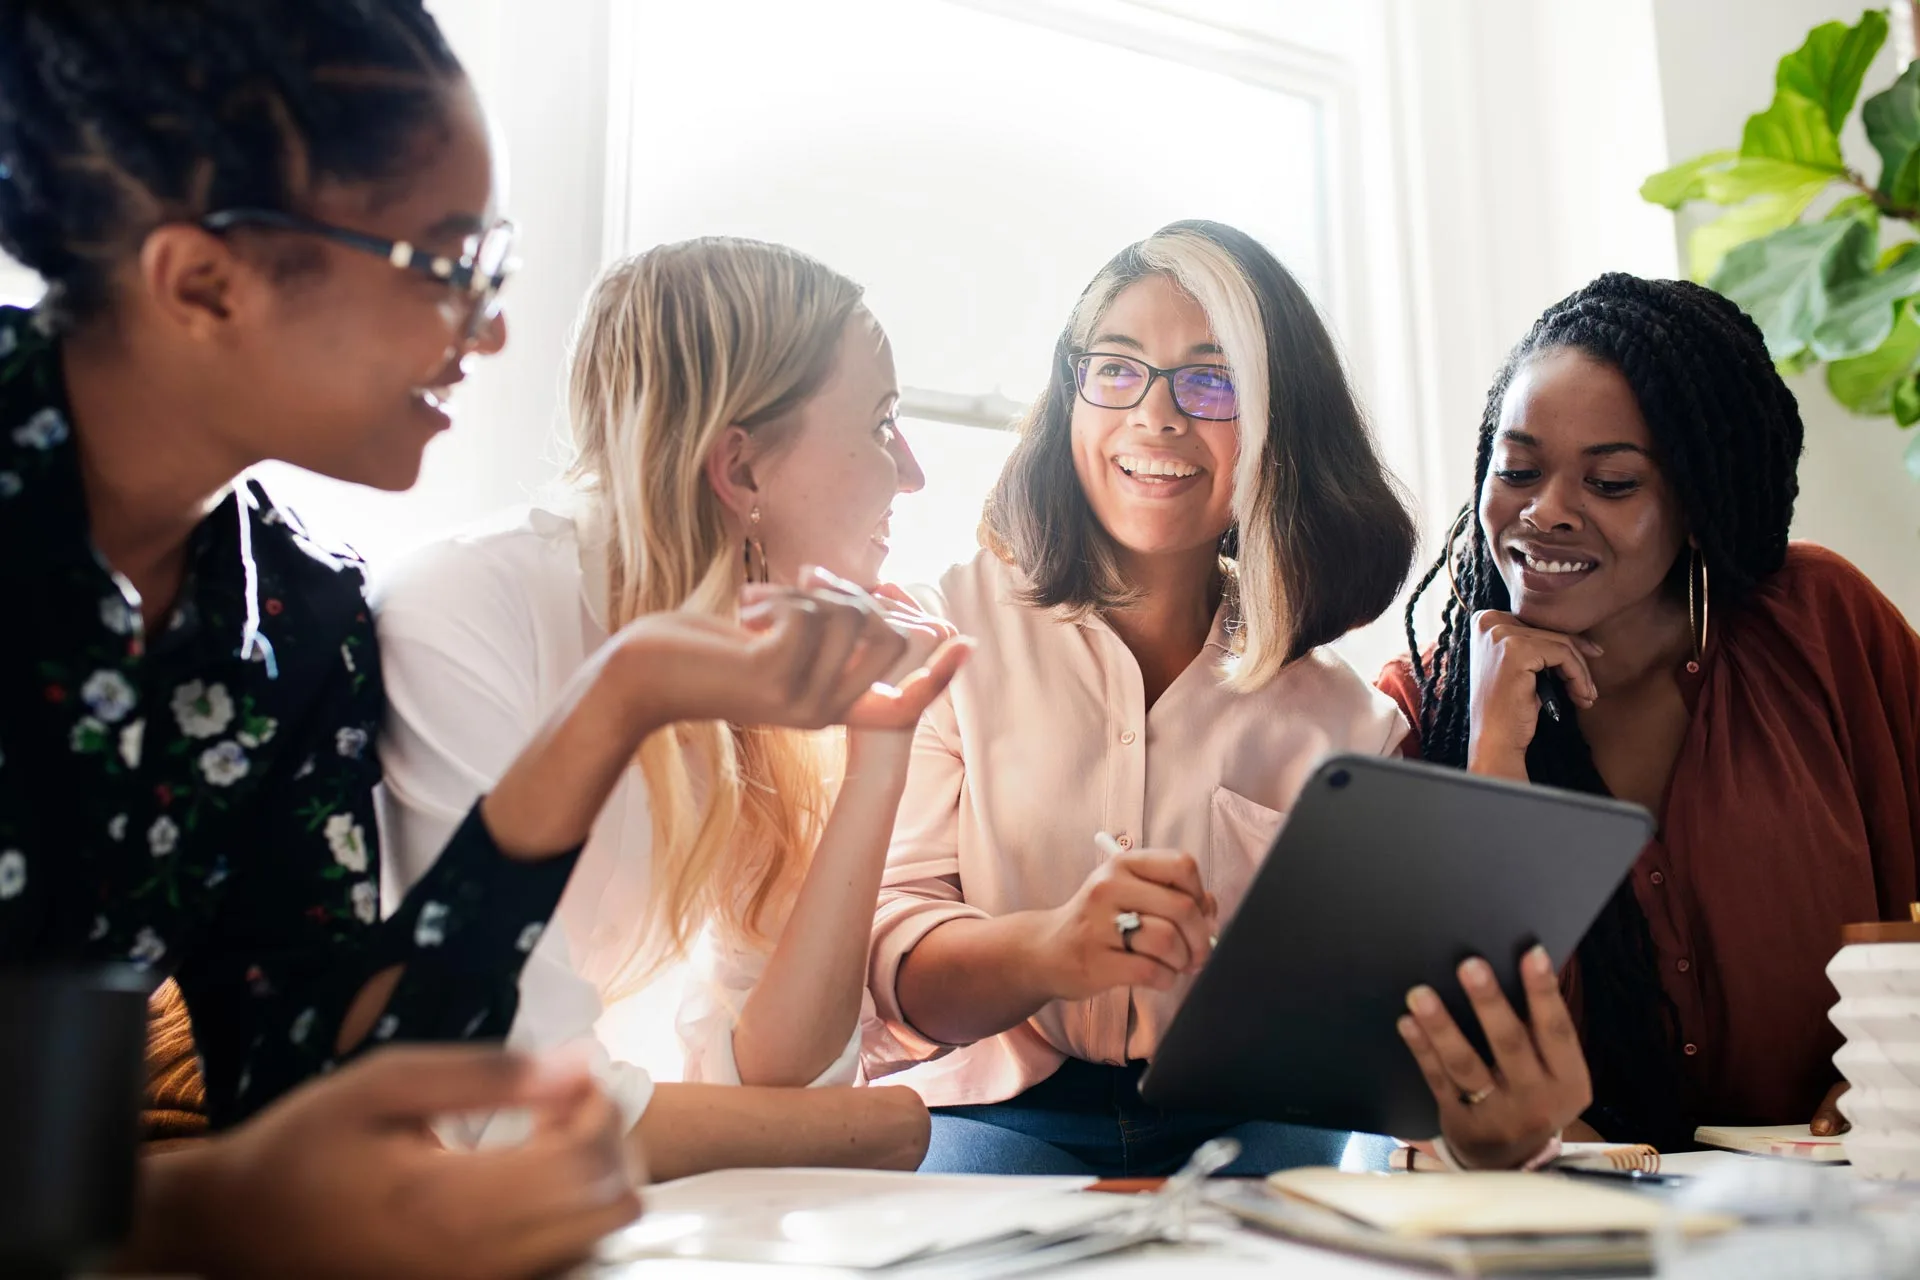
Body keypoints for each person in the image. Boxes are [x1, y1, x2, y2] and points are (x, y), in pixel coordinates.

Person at [0, 3, 934, 1272]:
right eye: (444, 263)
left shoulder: (290, 619)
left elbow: (355, 1075)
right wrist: (213, 1210)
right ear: (203, 281)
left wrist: (626, 692)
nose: (491, 330)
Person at [376, 237, 969, 1178]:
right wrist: (881, 1129)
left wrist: (879, 759)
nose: (912, 473)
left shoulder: (745, 663)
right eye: (882, 421)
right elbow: (501, 1111)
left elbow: (779, 1079)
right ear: (741, 471)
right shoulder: (468, 610)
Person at [864, 219, 1420, 1176]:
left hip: (1257, 1124)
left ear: (1282, 427)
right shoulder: (946, 636)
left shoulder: (1350, 725)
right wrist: (1048, 952)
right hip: (994, 1114)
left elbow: (1368, 1023)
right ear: (1070, 395)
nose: (1157, 418)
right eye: (1116, 370)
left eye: (1214, 381)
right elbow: (895, 967)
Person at [1379, 272, 1920, 1166]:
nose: (1544, 511)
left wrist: (1898, 1075)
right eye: (1516, 471)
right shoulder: (1423, 711)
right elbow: (1433, 1065)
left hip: (1853, 1212)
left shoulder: (1825, 629)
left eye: (1612, 481)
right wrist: (1494, 755)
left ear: (1699, 505)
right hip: (1577, 1239)